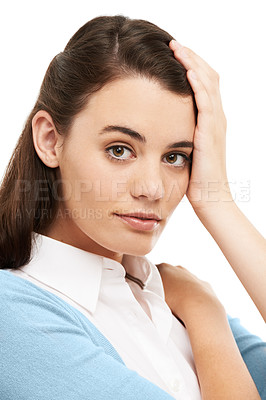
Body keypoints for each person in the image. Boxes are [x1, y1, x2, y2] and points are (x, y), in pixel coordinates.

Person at [0, 14, 265, 399]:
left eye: (176, 157)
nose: (153, 188)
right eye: (119, 150)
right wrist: (207, 317)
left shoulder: (166, 295)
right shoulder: (13, 317)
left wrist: (217, 200)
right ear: (50, 139)